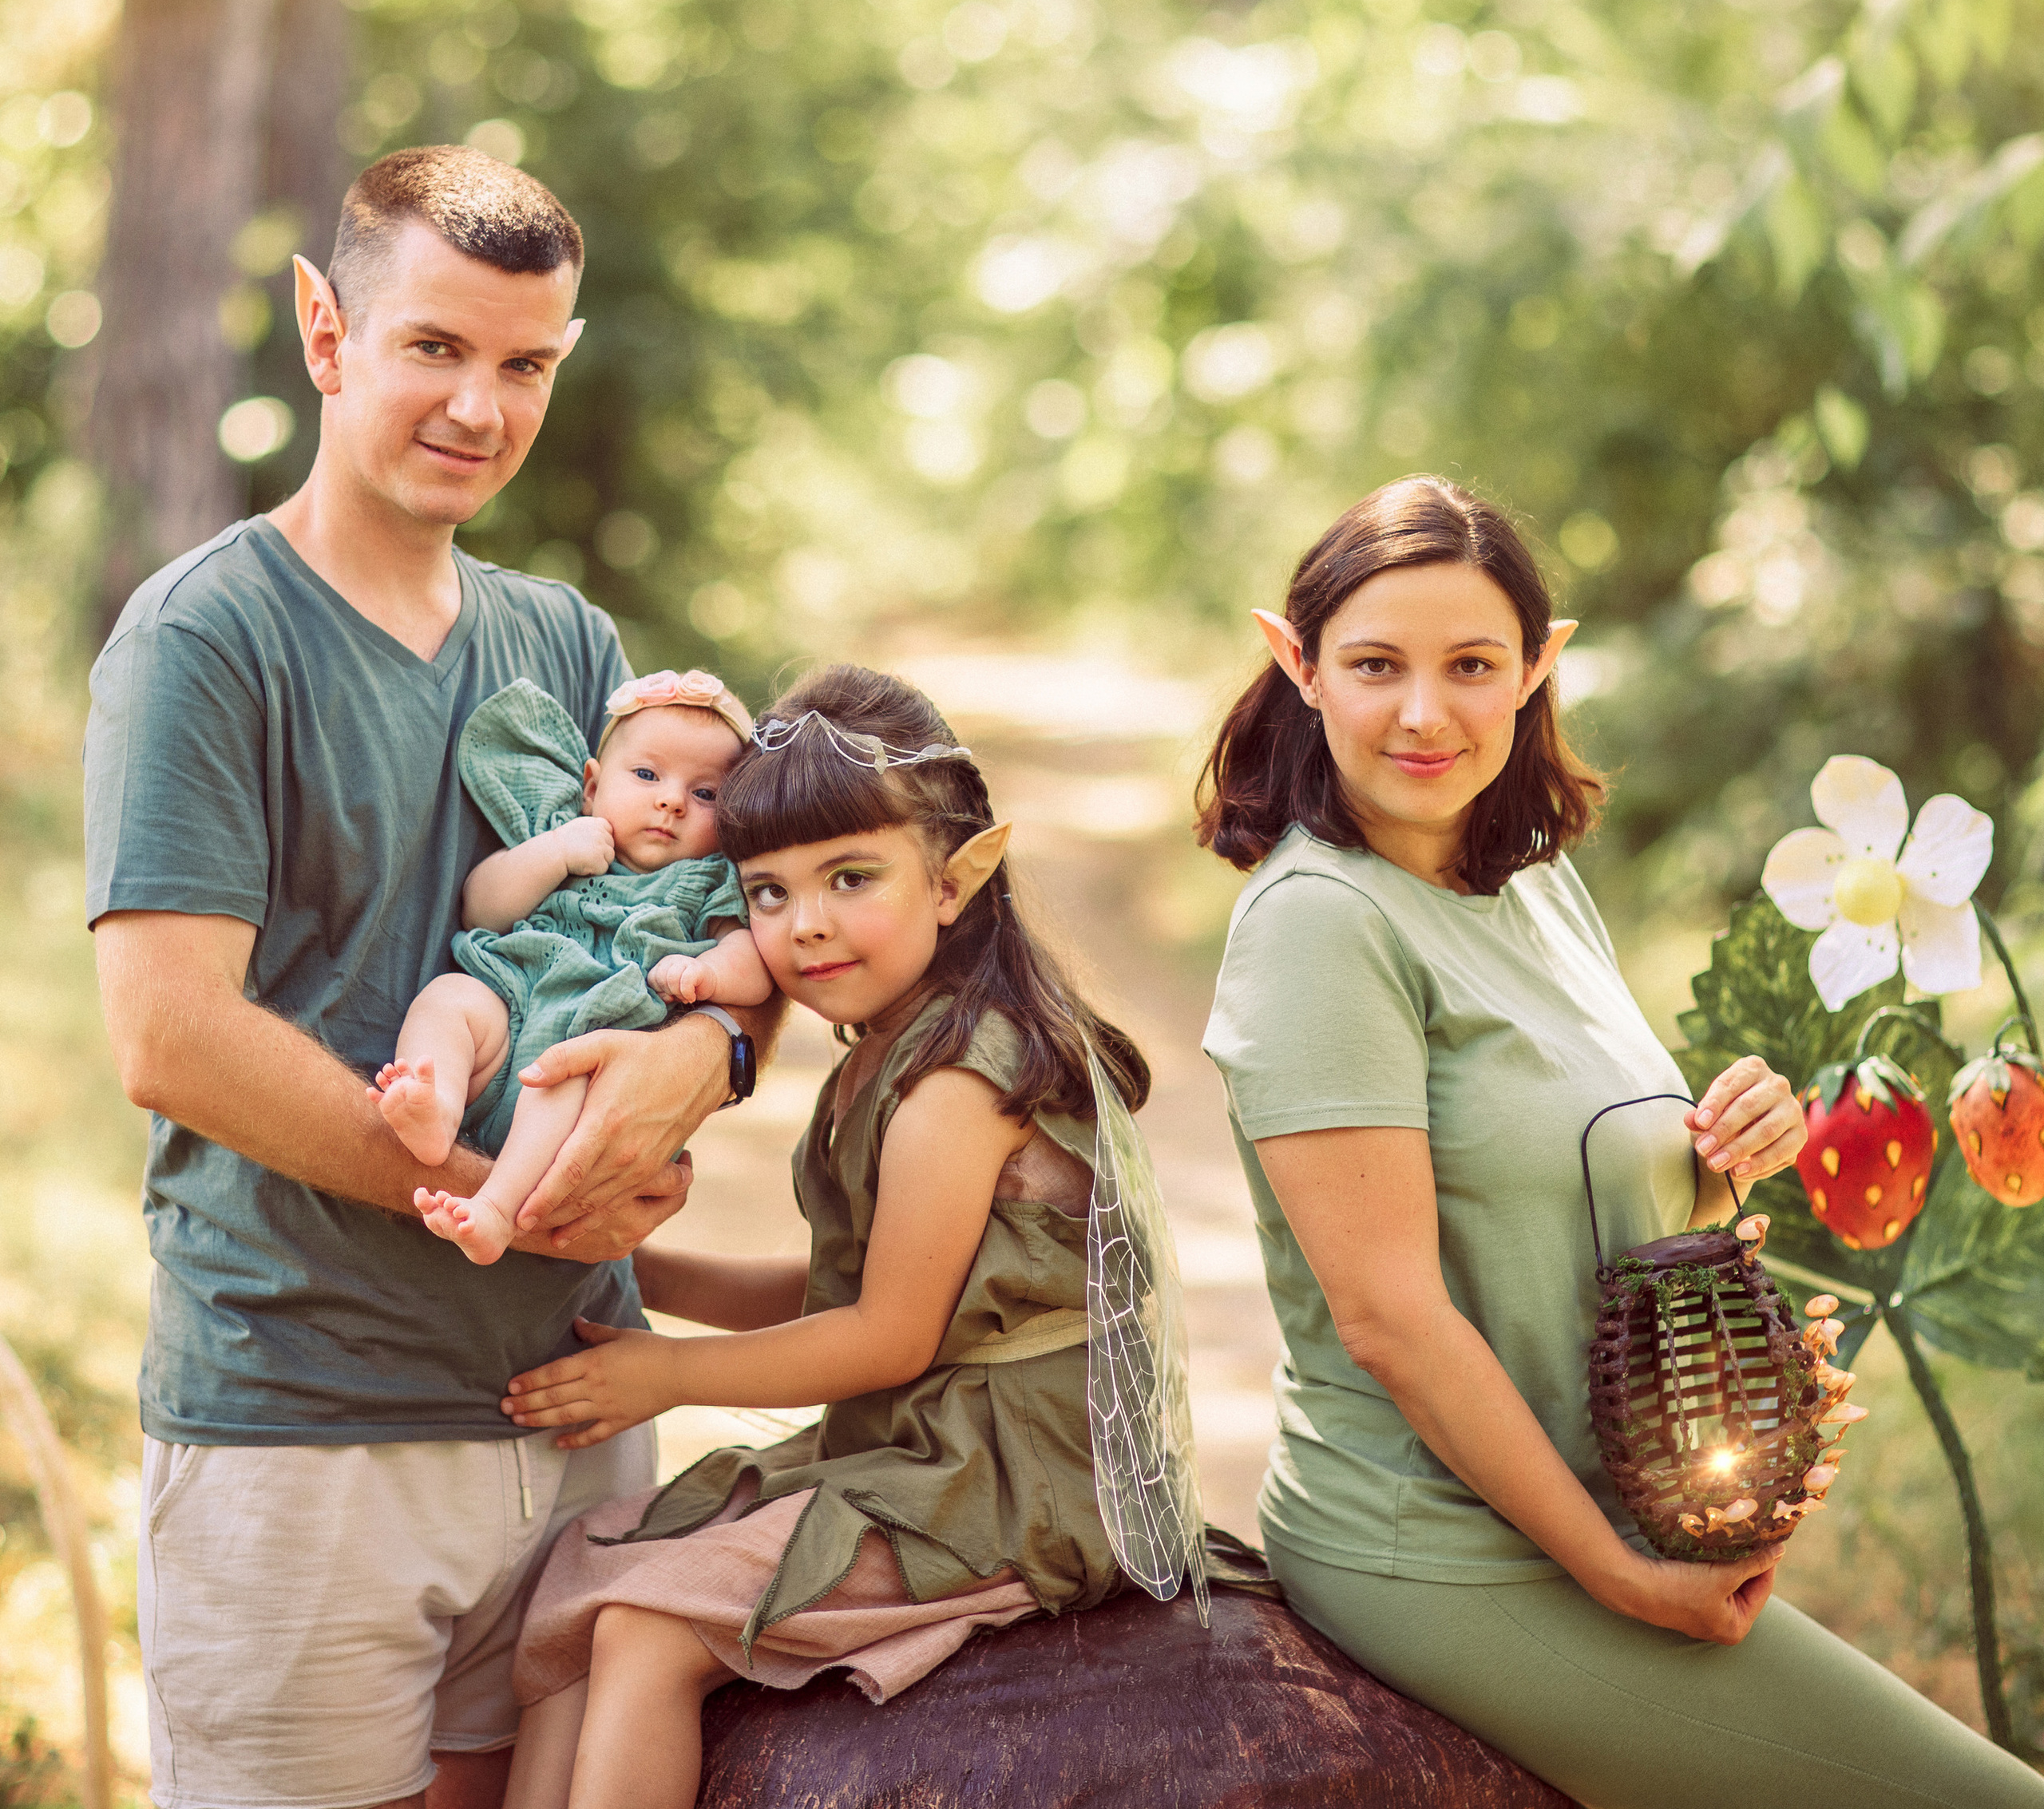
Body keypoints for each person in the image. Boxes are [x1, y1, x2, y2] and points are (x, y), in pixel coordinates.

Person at [85, 144, 779, 1809]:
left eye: (525, 362)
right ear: (327, 332)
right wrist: (499, 1190)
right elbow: (172, 1038)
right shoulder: (204, 641)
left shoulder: (572, 649)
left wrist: (711, 1063)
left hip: (569, 1407)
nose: (480, 404)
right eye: (435, 348)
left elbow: (717, 939)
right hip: (308, 1421)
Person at [1196, 475, 2044, 1808]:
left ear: (1540, 667)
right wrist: (1622, 1575)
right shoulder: (1321, 926)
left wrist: (1726, 1138)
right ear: (1295, 663)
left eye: (1473, 665)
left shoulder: (1532, 876)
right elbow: (1390, 1321)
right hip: (1450, 1546)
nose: (1425, 713)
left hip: (1606, 1507)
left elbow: (1565, 1164)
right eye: (1375, 666)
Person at [487, 664, 1152, 1809]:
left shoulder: (957, 1074)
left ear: (958, 878)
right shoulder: (888, 1044)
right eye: (768, 894)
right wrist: (633, 1264)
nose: (807, 926)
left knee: (649, 1626)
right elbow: (849, 1283)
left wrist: (668, 1375)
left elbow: (890, 1334)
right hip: (918, 1440)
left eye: (852, 879)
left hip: (1004, 1477)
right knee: (584, 1571)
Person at [379, 667, 773, 1265]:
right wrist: (554, 853)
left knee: (565, 1074)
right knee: (450, 997)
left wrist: (709, 974)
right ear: (591, 786)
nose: (670, 800)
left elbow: (755, 967)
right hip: (509, 1012)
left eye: (705, 794)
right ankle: (436, 1104)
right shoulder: (564, 839)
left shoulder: (708, 879)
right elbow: (480, 906)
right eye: (646, 775)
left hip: (587, 1056)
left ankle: (495, 1209)